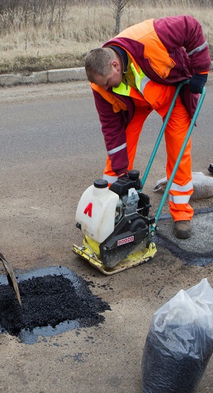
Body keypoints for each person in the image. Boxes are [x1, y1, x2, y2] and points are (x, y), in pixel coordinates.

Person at [84, 15, 210, 239]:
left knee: (179, 148)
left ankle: (181, 213)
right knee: (117, 156)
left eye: (105, 83)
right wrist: (123, 173)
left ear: (115, 65)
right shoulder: (100, 84)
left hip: (170, 90)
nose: (104, 88)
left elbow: (191, 26)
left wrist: (201, 71)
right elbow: (111, 130)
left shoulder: (150, 36)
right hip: (136, 102)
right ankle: (114, 206)